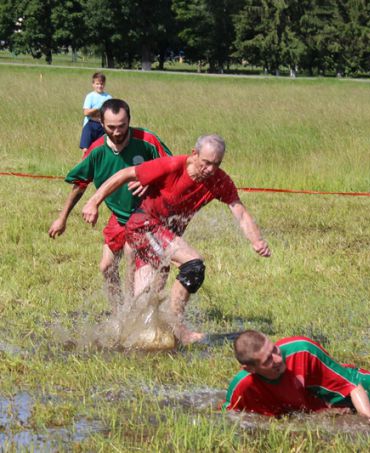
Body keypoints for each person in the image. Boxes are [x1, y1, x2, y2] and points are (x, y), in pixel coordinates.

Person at [80, 134, 271, 345]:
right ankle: (178, 327)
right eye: (206, 163)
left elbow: (240, 211)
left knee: (145, 302)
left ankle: (121, 337)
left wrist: (257, 241)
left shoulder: (219, 180)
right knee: (193, 265)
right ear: (194, 154)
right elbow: (125, 174)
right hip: (144, 226)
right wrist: (93, 202)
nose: (210, 170)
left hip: (160, 236)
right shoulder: (173, 165)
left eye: (216, 164)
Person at [49, 99, 172, 313]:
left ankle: (134, 311)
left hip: (148, 217)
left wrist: (150, 180)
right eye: (111, 127)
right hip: (118, 217)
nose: (117, 132)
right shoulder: (96, 151)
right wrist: (62, 218)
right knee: (105, 267)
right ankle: (119, 313)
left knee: (131, 254)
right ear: (100, 123)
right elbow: (80, 185)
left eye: (122, 126)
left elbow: (172, 169)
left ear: (129, 121)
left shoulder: (147, 141)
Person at [224, 330, 370, 422]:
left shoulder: (302, 350)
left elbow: (352, 387)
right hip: (331, 408)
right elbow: (230, 419)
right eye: (267, 361)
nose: (278, 359)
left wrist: (367, 423)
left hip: (357, 385)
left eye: (274, 350)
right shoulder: (242, 388)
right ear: (251, 369)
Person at [80, 72, 112, 154]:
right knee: (86, 149)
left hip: (102, 125)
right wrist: (98, 109)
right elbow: (86, 112)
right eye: (97, 84)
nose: (99, 86)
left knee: (100, 150)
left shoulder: (108, 97)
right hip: (90, 125)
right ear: (93, 84)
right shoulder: (90, 96)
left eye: (101, 84)